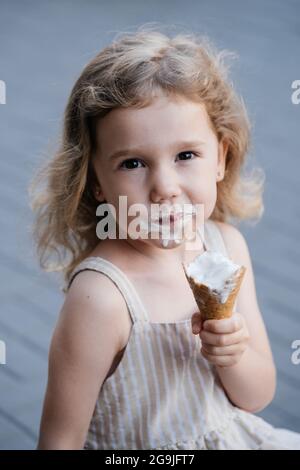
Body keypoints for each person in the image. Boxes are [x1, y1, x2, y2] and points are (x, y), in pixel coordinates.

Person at [30, 26, 300, 450]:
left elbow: (256, 396)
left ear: (220, 158)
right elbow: (60, 439)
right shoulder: (101, 298)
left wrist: (234, 355)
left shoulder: (226, 246)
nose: (164, 187)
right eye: (133, 163)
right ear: (96, 181)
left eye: (186, 156)